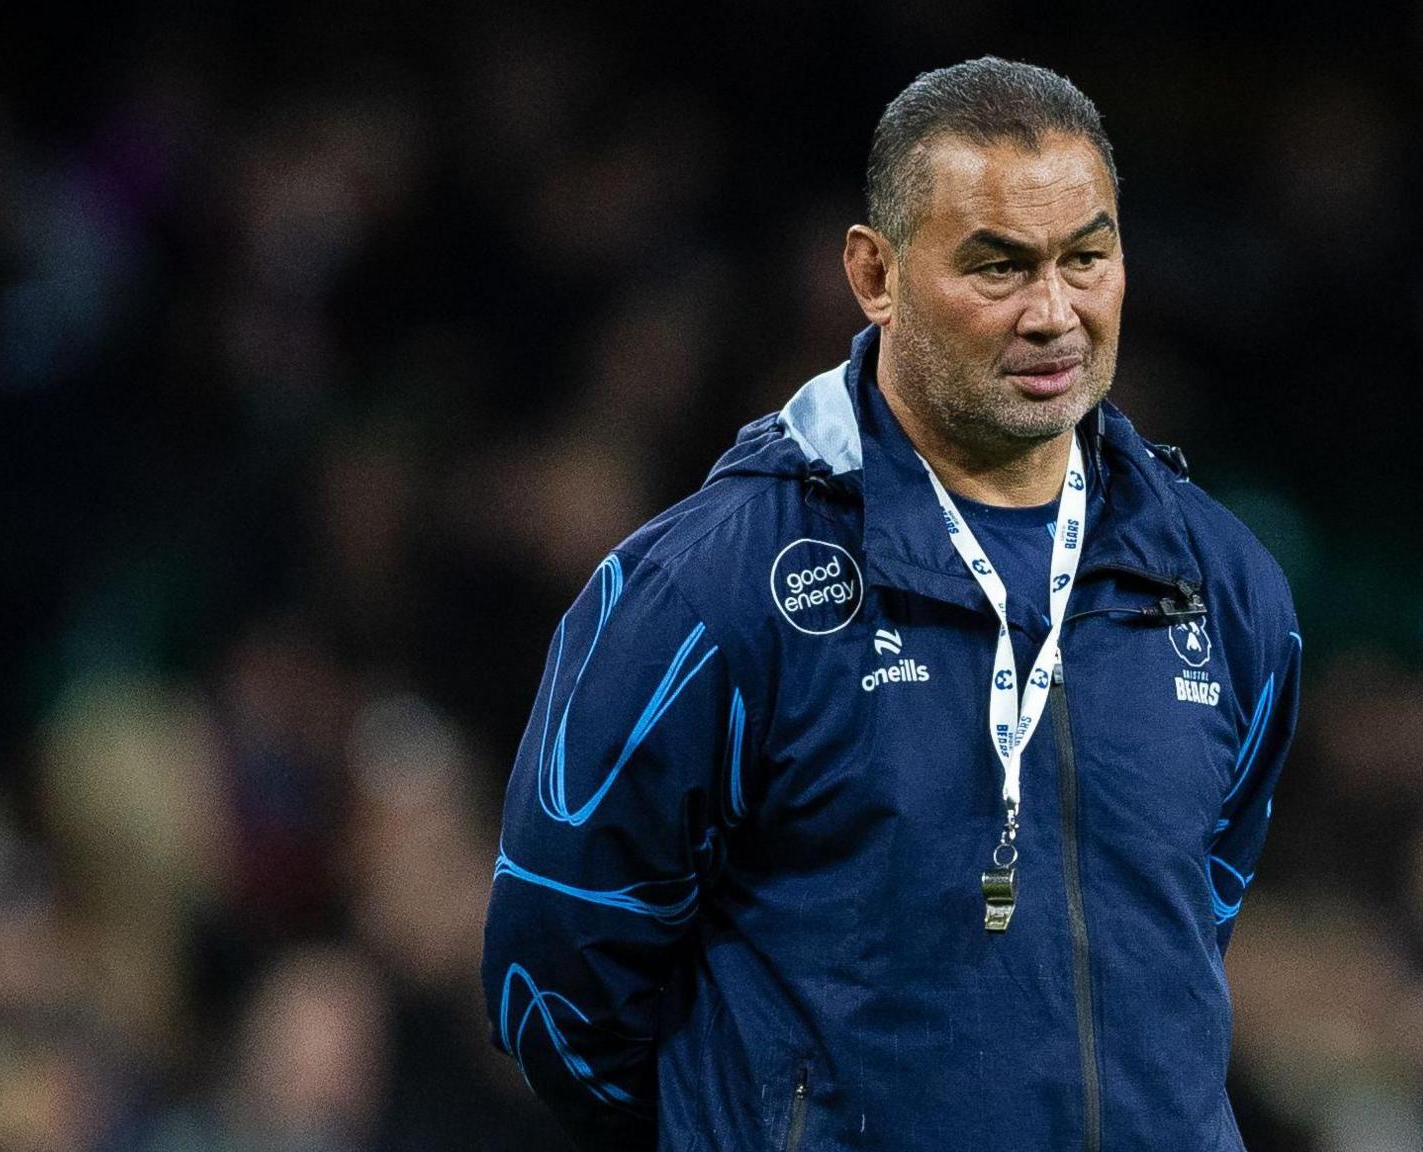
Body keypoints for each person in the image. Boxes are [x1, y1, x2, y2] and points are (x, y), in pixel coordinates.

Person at [481, 57, 1302, 1151]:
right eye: (999, 267)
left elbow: (1192, 926)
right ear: (875, 274)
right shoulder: (709, 593)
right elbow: (554, 985)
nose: (1053, 314)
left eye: (1086, 259)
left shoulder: (1221, 583)